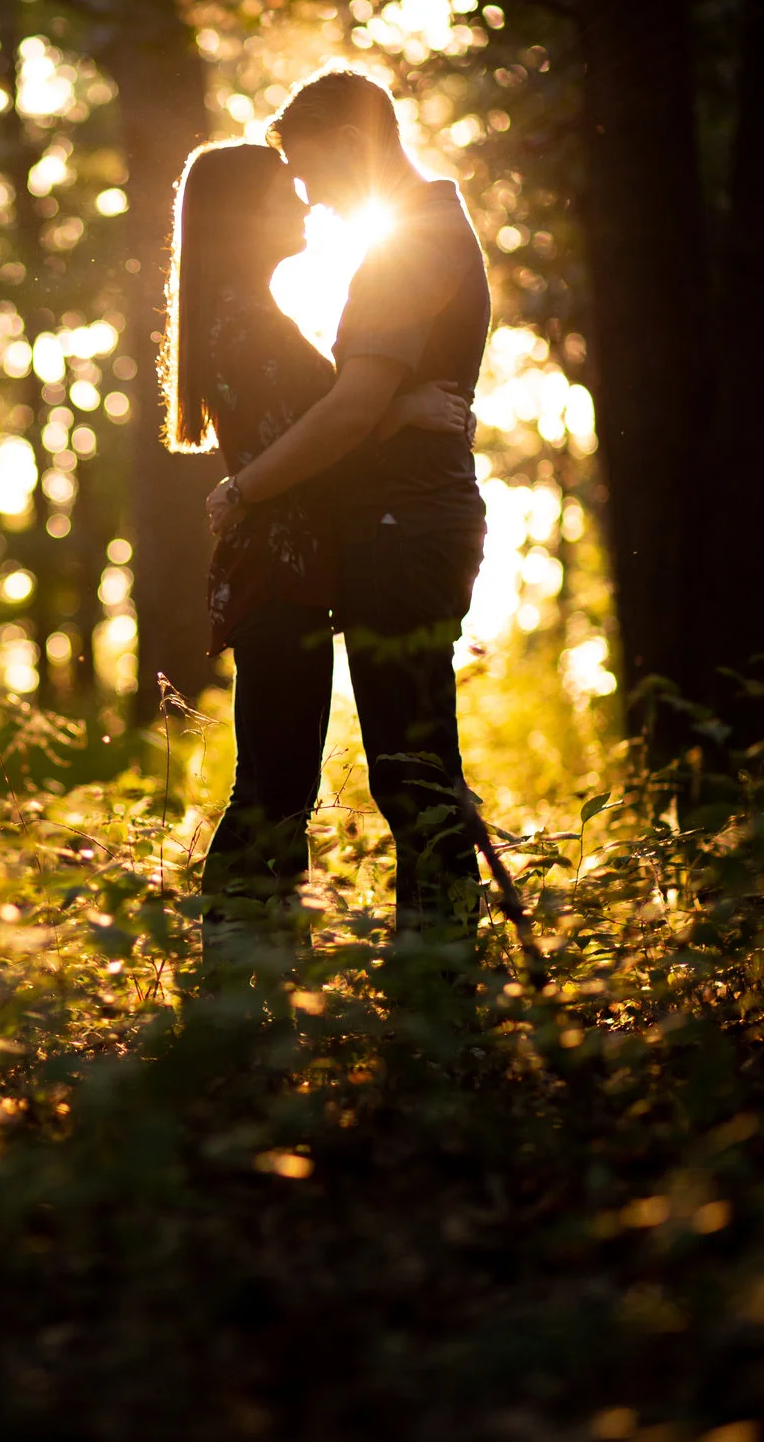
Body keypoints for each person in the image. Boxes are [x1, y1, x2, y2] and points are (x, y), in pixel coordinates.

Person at [203, 67, 493, 935]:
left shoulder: (412, 243)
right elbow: (360, 400)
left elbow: (351, 407)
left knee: (412, 768)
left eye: (312, 169)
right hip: (400, 523)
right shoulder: (416, 237)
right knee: (415, 764)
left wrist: (243, 487)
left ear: (356, 145)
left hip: (405, 529)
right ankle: (433, 984)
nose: (312, 198)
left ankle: (438, 986)